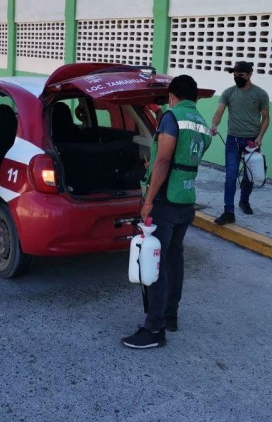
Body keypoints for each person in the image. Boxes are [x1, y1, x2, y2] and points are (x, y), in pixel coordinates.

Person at [121, 75, 212, 349]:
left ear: (173, 96)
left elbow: (163, 161)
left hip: (165, 200)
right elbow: (187, 157)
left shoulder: (172, 117)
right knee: (174, 258)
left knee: (154, 260)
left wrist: (149, 200)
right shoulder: (201, 123)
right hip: (186, 198)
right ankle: (170, 315)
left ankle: (154, 328)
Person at [209, 61, 270, 225]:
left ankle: (244, 201)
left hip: (252, 141)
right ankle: (228, 211)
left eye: (240, 75)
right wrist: (214, 125)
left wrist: (260, 137)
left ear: (249, 74)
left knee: (249, 177)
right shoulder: (228, 93)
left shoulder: (260, 94)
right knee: (230, 176)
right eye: (235, 75)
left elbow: (266, 118)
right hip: (232, 140)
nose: (237, 78)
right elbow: (219, 112)